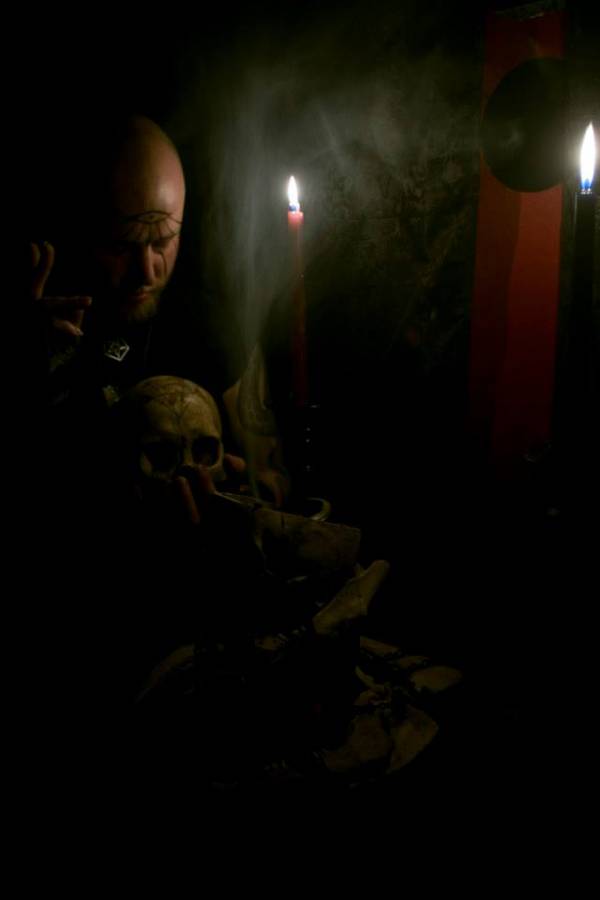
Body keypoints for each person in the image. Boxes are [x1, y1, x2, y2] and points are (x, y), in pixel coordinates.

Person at [26, 113, 289, 518]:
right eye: (121, 247)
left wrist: (248, 495)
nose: (146, 272)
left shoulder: (211, 326)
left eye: (163, 242)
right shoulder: (47, 322)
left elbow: (273, 481)